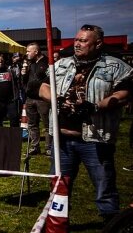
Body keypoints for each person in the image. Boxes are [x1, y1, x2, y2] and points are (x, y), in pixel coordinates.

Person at [39, 24, 132, 221]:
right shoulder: (61, 64)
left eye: (83, 41)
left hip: (95, 138)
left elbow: (123, 94)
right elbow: (42, 87)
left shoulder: (115, 66)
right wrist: (56, 99)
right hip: (62, 139)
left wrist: (96, 106)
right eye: (76, 40)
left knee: (104, 188)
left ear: (98, 43)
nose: (77, 44)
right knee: (59, 189)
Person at [22, 42, 51, 155]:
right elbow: (25, 81)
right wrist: (23, 74)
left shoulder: (47, 63)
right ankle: (35, 146)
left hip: (42, 99)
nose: (27, 53)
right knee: (32, 124)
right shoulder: (30, 64)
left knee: (47, 125)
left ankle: (48, 148)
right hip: (30, 98)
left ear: (36, 51)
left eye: (29, 51)